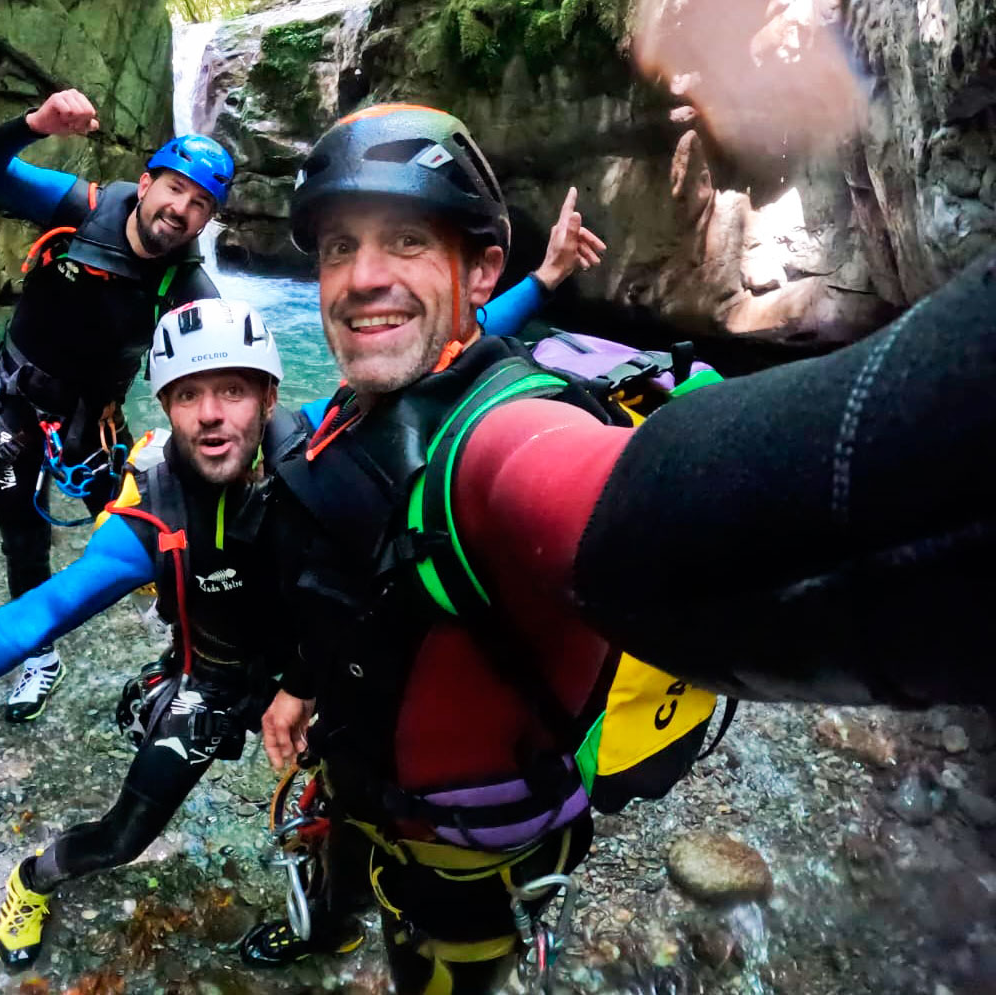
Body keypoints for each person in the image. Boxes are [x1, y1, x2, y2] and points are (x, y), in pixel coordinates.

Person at [247, 103, 996, 993]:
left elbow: (643, 507)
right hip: (361, 784)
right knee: (350, 884)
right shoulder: (361, 403)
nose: (362, 277)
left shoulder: (501, 441)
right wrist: (298, 685)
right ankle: (331, 927)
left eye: (406, 241)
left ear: (483, 268)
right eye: (338, 247)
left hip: (456, 867)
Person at [0, 300, 320, 969]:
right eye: (186, 394)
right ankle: (32, 879)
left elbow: (445, 350)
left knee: (373, 808)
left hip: (323, 667)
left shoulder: (322, 452)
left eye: (232, 389)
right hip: (218, 677)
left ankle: (330, 912)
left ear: (269, 395)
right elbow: (38, 614)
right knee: (124, 837)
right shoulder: (150, 518)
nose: (210, 413)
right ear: (166, 406)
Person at [0, 88, 235, 722]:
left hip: (97, 428)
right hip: (14, 411)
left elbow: (224, 365)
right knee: (22, 541)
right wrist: (35, 125)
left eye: (200, 206)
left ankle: (186, 650)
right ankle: (40, 656)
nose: (182, 211)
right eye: (175, 190)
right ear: (144, 184)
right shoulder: (78, 207)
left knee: (151, 533)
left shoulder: (186, 282)